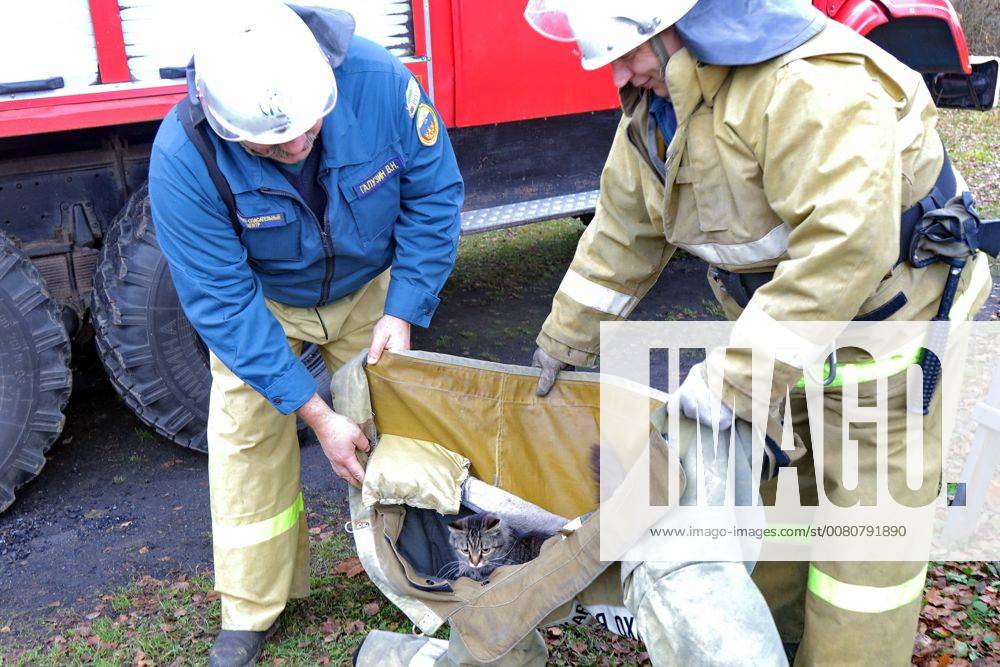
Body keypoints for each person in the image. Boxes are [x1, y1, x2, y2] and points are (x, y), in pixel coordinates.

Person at [525, 0, 992, 664]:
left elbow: (847, 248)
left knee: (866, 535)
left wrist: (737, 376)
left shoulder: (809, 88)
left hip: (892, 329)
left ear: (678, 28)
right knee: (779, 501)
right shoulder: (659, 105)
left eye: (626, 49)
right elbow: (622, 235)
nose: (614, 70)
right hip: (790, 325)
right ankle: (767, 639)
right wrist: (564, 340)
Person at [147, 2, 463, 664]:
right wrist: (316, 413)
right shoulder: (183, 155)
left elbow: (435, 195)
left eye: (306, 128)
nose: (296, 147)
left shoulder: (379, 83)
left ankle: (414, 573)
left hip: (371, 290)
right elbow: (222, 302)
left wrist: (402, 309)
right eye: (272, 142)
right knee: (245, 437)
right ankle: (250, 608)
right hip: (266, 303)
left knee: (390, 422)